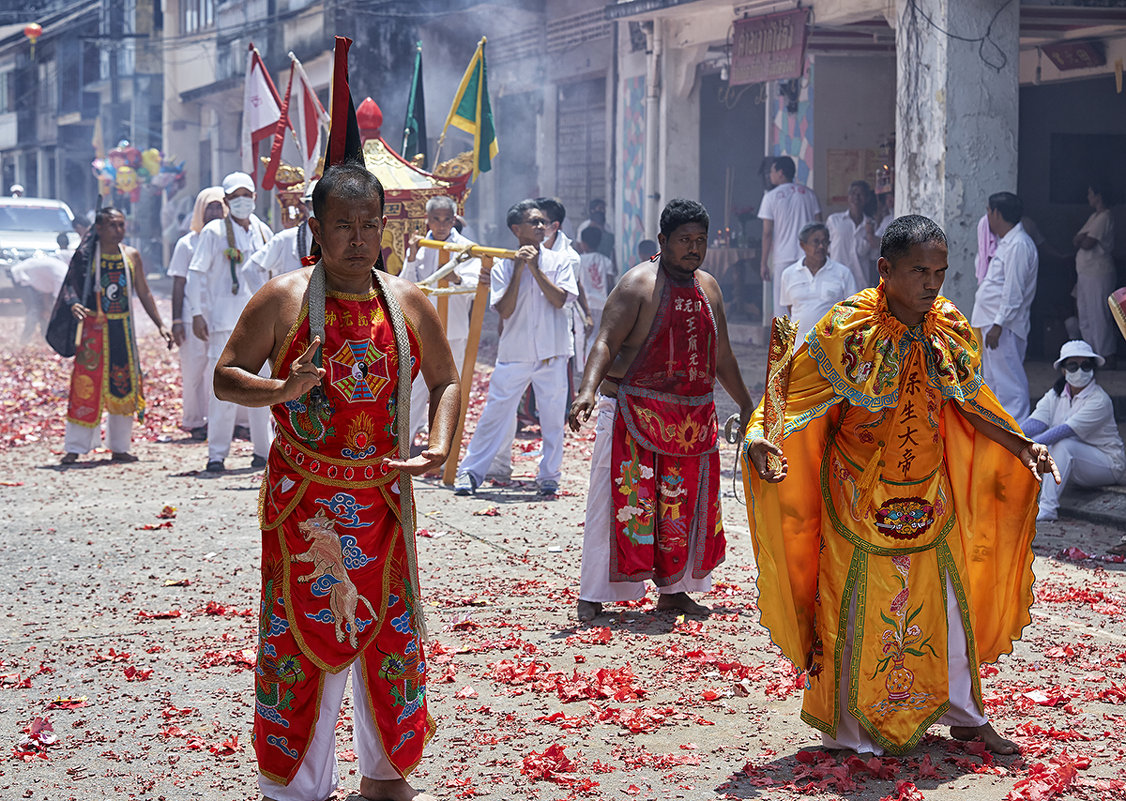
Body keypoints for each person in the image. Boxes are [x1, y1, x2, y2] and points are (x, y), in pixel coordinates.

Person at [744, 214, 1059, 756]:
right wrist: (761, 440)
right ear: (886, 270)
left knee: (950, 610)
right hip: (858, 498)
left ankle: (965, 713)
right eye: (919, 271)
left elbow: (970, 400)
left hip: (930, 495)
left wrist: (1020, 443)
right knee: (855, 605)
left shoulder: (949, 328)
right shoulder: (846, 330)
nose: (932, 283)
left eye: (940, 271)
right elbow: (789, 396)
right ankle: (853, 728)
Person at [213, 161, 458, 801]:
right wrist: (282, 387)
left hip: (382, 502)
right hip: (304, 507)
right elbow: (225, 375)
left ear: (385, 228)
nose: (358, 238)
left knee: (389, 637)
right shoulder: (283, 298)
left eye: (370, 225)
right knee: (303, 634)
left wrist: (437, 443)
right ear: (315, 229)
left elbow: (447, 379)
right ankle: (296, 787)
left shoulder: (406, 302)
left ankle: (384, 776)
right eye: (343, 225)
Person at [569, 198, 755, 622]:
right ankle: (594, 594)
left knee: (681, 507)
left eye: (700, 241)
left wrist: (746, 403)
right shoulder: (637, 285)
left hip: (691, 419)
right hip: (630, 412)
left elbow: (721, 353)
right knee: (616, 504)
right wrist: (586, 390)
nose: (694, 249)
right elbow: (605, 342)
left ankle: (675, 591)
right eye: (685, 241)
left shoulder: (709, 287)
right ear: (663, 241)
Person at [454, 199, 578, 498]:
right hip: (516, 353)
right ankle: (470, 472)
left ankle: (549, 475)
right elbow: (505, 309)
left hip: (552, 351)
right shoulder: (503, 265)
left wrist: (535, 268)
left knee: (551, 419)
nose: (540, 227)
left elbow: (561, 299)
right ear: (516, 229)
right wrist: (520, 269)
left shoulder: (561, 260)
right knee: (495, 413)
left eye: (542, 222)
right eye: (533, 222)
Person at [60, 208, 173, 464]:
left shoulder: (131, 255)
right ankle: (75, 447)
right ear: (98, 228)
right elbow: (70, 285)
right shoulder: (86, 256)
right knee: (86, 385)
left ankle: (120, 447)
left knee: (123, 385)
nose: (118, 230)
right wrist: (74, 303)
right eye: (112, 225)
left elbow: (144, 292)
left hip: (123, 329)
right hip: (93, 330)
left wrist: (160, 325)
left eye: (121, 225)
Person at [186, 171, 274, 472]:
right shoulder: (213, 232)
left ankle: (263, 452)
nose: (241, 202)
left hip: (260, 323)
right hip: (224, 321)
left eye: (245, 196)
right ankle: (217, 454)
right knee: (223, 389)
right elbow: (195, 274)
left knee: (262, 387)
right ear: (226, 201)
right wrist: (197, 312)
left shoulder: (264, 231)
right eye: (234, 197)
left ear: (254, 198)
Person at [401, 195, 481, 441]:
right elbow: (406, 283)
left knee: (448, 389)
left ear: (454, 219)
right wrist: (412, 256)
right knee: (414, 390)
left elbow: (474, 286)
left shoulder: (468, 249)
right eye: (436, 219)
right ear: (428, 220)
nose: (442, 224)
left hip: (453, 332)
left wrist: (456, 277)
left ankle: (443, 444)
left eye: (447, 219)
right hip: (423, 332)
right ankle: (404, 445)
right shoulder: (421, 246)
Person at [1021, 340, 1125, 523]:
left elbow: (1062, 432)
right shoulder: (1055, 394)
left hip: (1109, 464)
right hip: (1077, 465)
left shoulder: (1099, 400)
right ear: (1063, 370)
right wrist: (1008, 438)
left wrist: (1026, 447)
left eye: (1085, 365)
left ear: (1093, 369)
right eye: (1073, 365)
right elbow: (1034, 424)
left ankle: (1047, 508)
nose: (1080, 370)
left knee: (1061, 444)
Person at [970, 192, 1038, 422]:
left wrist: (998, 324)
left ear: (997, 213)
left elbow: (1013, 291)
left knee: (1010, 381)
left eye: (989, 212)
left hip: (1003, 326)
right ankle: (999, 430)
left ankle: (1018, 431)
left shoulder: (1019, 245)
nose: (987, 217)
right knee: (993, 379)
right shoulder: (1005, 243)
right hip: (991, 322)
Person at [167, 186, 226, 440]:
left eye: (219, 206)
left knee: (223, 370)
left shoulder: (231, 240)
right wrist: (177, 320)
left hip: (222, 317)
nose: (214, 211)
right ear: (200, 211)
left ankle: (227, 422)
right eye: (209, 207)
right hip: (193, 317)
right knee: (194, 371)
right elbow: (179, 283)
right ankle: (195, 421)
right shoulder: (187, 243)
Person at [758, 155, 822, 314]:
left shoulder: (770, 197)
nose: (770, 175)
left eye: (772, 171)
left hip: (783, 258)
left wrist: (764, 262)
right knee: (808, 302)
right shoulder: (809, 194)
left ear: (780, 172)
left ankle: (783, 339)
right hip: (808, 256)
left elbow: (767, 233)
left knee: (782, 307)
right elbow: (820, 226)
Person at [779, 222, 858, 343]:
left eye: (825, 242)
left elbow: (853, 310)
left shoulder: (843, 273)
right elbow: (791, 309)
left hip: (831, 347)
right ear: (803, 245)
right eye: (816, 242)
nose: (821, 246)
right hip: (799, 347)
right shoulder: (788, 274)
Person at [243, 180, 317, 294]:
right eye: (313, 205)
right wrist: (267, 302)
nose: (317, 210)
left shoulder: (339, 239)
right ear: (306, 207)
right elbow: (250, 269)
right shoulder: (286, 239)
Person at [1073, 181, 1117, 364]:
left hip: (1098, 272)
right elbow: (1076, 239)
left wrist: (1082, 238)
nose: (1088, 197)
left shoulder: (1105, 217)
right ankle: (1091, 356)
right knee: (1085, 315)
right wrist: (1081, 238)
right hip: (1085, 272)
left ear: (1099, 196)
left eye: (1090, 193)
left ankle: (1105, 356)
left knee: (1099, 315)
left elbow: (1087, 242)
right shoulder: (1094, 216)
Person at [11, 232, 70, 342]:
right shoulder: (62, 276)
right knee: (34, 309)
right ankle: (24, 341)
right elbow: (56, 301)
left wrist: (47, 309)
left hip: (29, 276)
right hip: (21, 276)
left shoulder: (61, 272)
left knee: (43, 309)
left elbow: (46, 293)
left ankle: (44, 338)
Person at [827, 180, 875, 289]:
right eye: (853, 193)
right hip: (836, 282)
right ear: (848, 197)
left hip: (860, 284)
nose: (856, 197)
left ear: (867, 199)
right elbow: (826, 251)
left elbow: (873, 258)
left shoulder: (871, 224)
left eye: (860, 194)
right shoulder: (834, 221)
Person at [575, 225, 615, 350]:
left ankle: (584, 366)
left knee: (582, 337)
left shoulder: (579, 260)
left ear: (583, 243)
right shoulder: (606, 261)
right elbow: (610, 284)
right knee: (598, 337)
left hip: (584, 304)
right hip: (601, 304)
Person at [576, 197, 616, 267]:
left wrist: (614, 263)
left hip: (604, 263)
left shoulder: (608, 228)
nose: (603, 211)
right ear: (592, 210)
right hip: (588, 263)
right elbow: (579, 245)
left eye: (604, 209)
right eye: (600, 208)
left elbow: (612, 248)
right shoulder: (584, 227)